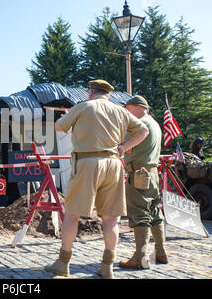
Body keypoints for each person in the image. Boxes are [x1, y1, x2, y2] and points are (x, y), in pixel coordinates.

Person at [45, 80, 149, 279]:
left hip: (87, 162)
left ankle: (63, 263)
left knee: (73, 214)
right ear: (108, 94)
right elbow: (143, 130)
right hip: (113, 163)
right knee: (111, 219)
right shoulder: (120, 111)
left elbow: (59, 127)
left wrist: (68, 117)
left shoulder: (83, 106)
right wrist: (124, 147)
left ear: (90, 92)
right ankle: (107, 266)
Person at [119, 95, 168, 270]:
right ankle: (160, 252)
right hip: (153, 174)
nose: (127, 113)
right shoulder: (154, 124)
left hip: (138, 173)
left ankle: (140, 257)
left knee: (139, 214)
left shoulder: (140, 125)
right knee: (154, 212)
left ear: (137, 108)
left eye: (128, 110)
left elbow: (125, 145)